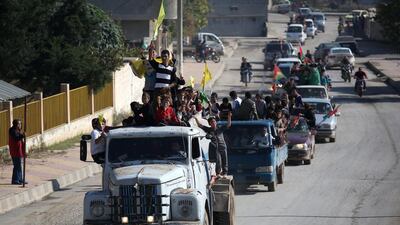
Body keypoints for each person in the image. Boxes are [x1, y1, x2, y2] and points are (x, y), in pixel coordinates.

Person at [9, 119, 26, 185]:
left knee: (19, 165)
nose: (20, 125)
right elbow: (16, 138)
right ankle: (15, 180)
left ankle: (20, 179)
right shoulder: (12, 131)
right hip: (15, 151)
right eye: (19, 124)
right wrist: (22, 135)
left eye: (20, 124)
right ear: (15, 124)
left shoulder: (18, 131)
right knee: (17, 165)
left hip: (19, 150)